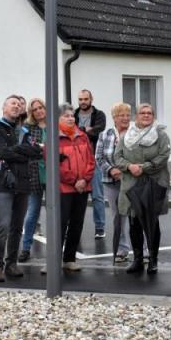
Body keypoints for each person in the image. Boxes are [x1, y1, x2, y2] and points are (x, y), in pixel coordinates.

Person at [0, 95, 43, 282]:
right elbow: (1, 152)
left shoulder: (24, 130)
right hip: (3, 182)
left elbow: (36, 153)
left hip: (23, 183)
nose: (16, 106)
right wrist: (22, 151)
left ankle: (11, 263)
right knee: (3, 225)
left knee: (17, 227)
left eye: (19, 104)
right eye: (13, 103)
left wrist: (17, 151)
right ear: (4, 108)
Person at [114, 103, 171, 274]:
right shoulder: (126, 136)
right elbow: (117, 157)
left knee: (152, 223)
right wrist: (129, 166)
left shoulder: (161, 135)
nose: (146, 115)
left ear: (153, 116)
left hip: (152, 185)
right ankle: (138, 259)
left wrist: (144, 167)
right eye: (142, 113)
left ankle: (153, 259)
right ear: (136, 116)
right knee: (134, 224)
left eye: (149, 113)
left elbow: (163, 156)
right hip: (131, 185)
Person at [44, 104, 96, 273]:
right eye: (65, 115)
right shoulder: (52, 138)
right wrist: (75, 180)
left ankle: (69, 259)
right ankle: (53, 261)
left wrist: (84, 179)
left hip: (82, 188)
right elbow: (53, 165)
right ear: (58, 118)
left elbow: (90, 160)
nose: (70, 118)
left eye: (72, 115)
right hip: (64, 188)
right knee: (59, 224)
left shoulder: (83, 136)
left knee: (76, 224)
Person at [95, 102, 132, 264]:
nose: (125, 118)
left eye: (127, 115)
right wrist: (111, 170)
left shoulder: (134, 133)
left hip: (132, 181)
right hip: (111, 182)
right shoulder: (105, 134)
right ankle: (122, 250)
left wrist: (124, 172)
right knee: (118, 217)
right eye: (121, 115)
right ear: (114, 118)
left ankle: (143, 250)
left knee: (136, 216)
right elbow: (99, 157)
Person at [76, 90, 107, 239]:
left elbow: (98, 131)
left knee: (97, 196)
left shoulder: (99, 115)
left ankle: (100, 227)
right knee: (76, 196)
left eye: (86, 99)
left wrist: (80, 131)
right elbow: (70, 132)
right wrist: (86, 130)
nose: (83, 101)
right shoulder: (74, 114)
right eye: (80, 99)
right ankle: (75, 226)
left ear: (91, 99)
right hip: (77, 160)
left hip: (93, 159)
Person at [20, 98, 48, 262]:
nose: (38, 111)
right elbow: (27, 149)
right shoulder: (28, 128)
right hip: (34, 173)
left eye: (41, 107)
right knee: (32, 213)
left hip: (53, 173)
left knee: (55, 213)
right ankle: (25, 248)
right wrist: (40, 149)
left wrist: (39, 148)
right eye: (35, 109)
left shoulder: (55, 125)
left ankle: (57, 249)